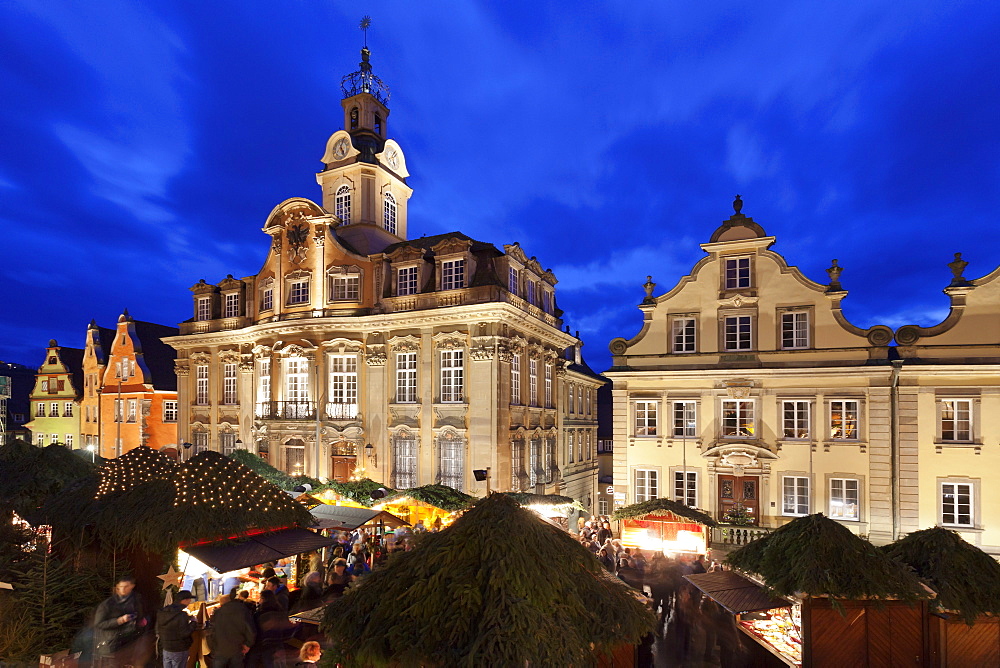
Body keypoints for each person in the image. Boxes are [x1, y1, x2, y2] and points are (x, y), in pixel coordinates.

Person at [93, 575, 147, 666]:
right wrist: (119, 620)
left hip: (130, 643)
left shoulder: (136, 600)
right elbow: (99, 624)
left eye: (126, 586)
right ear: (117, 587)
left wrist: (140, 623)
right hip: (112, 645)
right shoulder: (107, 604)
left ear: (132, 586)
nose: (123, 589)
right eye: (121, 587)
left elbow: (141, 617)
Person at [209, 587, 256, 668]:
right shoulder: (243, 610)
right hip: (237, 648)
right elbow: (250, 629)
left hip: (220, 649)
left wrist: (213, 647)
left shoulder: (217, 613)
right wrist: (248, 644)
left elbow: (212, 630)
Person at [156, 590, 198, 668]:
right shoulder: (181, 615)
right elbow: (185, 633)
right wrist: (194, 622)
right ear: (184, 600)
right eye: (189, 600)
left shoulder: (163, 612)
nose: (189, 602)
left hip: (166, 648)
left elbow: (158, 629)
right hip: (179, 649)